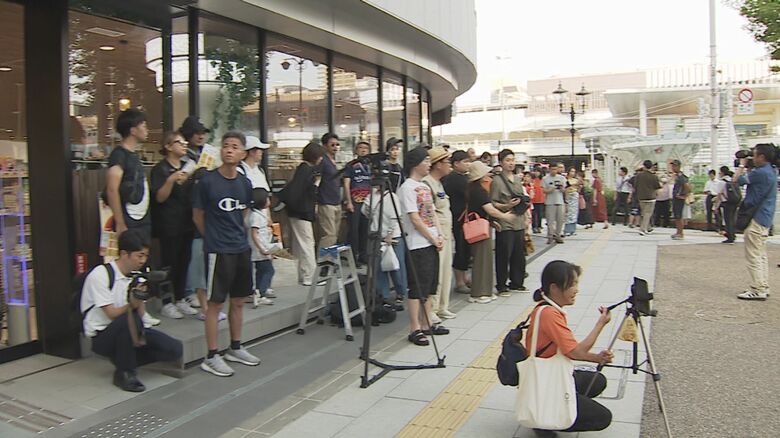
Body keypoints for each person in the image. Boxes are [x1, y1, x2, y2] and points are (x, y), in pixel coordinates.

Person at [193, 131, 261, 377]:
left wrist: (235, 235)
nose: (229, 150)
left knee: (239, 300)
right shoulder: (208, 181)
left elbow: (243, 214)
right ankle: (211, 355)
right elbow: (198, 215)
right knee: (214, 304)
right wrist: (212, 236)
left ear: (243, 153)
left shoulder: (244, 183)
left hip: (241, 248)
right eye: (226, 146)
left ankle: (235, 347)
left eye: (235, 146)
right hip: (218, 250)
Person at [81, 229, 182, 392]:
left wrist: (141, 301)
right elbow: (112, 314)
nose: (143, 260)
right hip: (102, 335)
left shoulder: (138, 276)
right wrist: (133, 302)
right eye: (139, 255)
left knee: (174, 349)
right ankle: (125, 373)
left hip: (130, 330)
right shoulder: (100, 275)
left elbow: (141, 314)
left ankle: (124, 358)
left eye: (145, 256)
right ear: (124, 254)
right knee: (129, 319)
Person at [526, 260, 613, 432]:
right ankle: (545, 420)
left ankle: (559, 406)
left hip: (549, 376)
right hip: (546, 383)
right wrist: (600, 324)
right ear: (554, 288)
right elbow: (576, 352)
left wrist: (596, 358)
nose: (576, 290)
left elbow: (570, 351)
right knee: (603, 418)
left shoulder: (546, 308)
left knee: (597, 380)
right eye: (572, 285)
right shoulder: (550, 314)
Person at [106, 108, 158, 328]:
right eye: (143, 125)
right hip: (130, 219)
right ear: (133, 128)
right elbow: (111, 188)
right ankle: (133, 311)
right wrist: (120, 221)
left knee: (141, 264)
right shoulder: (119, 155)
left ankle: (141, 310)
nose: (146, 129)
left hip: (141, 218)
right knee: (131, 264)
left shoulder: (134, 155)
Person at [397, 147, 449, 346]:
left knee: (430, 286)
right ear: (415, 163)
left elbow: (432, 213)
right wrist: (433, 238)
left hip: (432, 242)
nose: (429, 163)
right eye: (426, 160)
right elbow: (415, 219)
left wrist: (440, 234)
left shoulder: (425, 187)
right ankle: (414, 328)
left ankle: (427, 323)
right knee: (417, 287)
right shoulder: (407, 188)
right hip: (417, 244)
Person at [151, 131, 198, 320]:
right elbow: (159, 197)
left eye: (185, 142)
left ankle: (180, 298)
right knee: (169, 263)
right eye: (179, 142)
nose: (184, 145)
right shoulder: (160, 169)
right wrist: (171, 179)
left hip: (187, 222)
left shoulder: (188, 167)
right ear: (168, 147)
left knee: (184, 262)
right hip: (169, 224)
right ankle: (165, 302)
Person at [179, 116, 218, 319]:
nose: (201, 136)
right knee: (188, 256)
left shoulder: (208, 154)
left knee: (199, 256)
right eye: (197, 132)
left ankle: (198, 293)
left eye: (203, 132)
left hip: (203, 208)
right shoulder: (183, 155)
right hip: (183, 211)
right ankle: (188, 293)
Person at [466, 161, 516, 304]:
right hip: (481, 228)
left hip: (481, 225)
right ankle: (479, 292)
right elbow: (490, 209)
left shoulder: (473, 189)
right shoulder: (479, 191)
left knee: (483, 260)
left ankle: (483, 291)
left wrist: (493, 222)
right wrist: (505, 216)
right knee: (482, 261)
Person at [734, 144, 777, 300]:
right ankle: (763, 286)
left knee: (753, 256)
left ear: (762, 157)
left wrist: (742, 165)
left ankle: (757, 289)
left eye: (754, 155)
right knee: (761, 255)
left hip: (756, 219)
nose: (753, 158)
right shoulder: (771, 171)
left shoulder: (760, 173)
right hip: (765, 218)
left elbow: (737, 180)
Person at [423, 147, 457, 321]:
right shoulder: (427, 183)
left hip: (446, 230)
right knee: (437, 272)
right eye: (446, 162)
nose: (449, 165)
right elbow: (430, 213)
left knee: (446, 270)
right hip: (436, 233)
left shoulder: (439, 183)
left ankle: (443, 306)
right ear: (437, 165)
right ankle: (432, 309)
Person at [284, 142, 324, 286]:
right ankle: (310, 276)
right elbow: (306, 192)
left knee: (299, 244)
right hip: (302, 212)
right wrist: (315, 185)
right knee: (307, 243)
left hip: (295, 211)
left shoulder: (302, 169)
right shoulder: (308, 171)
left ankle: (302, 274)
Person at [362, 182, 407, 308]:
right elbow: (365, 212)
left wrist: (389, 234)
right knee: (380, 267)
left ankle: (400, 292)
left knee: (394, 265)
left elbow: (395, 217)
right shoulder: (372, 196)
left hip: (391, 236)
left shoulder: (392, 197)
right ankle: (385, 295)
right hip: (377, 235)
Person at [491, 149, 528, 296]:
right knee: (504, 253)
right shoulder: (497, 181)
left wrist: (525, 217)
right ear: (501, 163)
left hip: (518, 219)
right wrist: (506, 206)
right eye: (507, 160)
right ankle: (501, 285)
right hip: (505, 220)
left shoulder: (518, 179)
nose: (511, 163)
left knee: (519, 253)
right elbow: (492, 202)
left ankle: (517, 282)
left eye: (512, 160)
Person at [442, 150, 472, 295]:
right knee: (461, 250)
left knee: (464, 250)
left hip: (459, 218)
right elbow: (469, 195)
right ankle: (459, 282)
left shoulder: (458, 177)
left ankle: (464, 278)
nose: (468, 164)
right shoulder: (456, 179)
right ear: (456, 164)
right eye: (465, 162)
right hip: (458, 219)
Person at [343, 141, 372, 265]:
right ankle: (353, 257)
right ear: (356, 150)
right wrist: (348, 201)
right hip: (355, 200)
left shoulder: (371, 166)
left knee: (365, 230)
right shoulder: (351, 165)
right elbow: (346, 183)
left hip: (368, 201)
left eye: (366, 148)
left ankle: (363, 255)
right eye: (360, 148)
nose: (363, 150)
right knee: (354, 230)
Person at [247, 189, 276, 306]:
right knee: (269, 270)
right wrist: (261, 249)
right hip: (260, 250)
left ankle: (257, 292)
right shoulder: (255, 216)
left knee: (260, 271)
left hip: (263, 247)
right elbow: (254, 234)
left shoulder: (258, 214)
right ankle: (262, 293)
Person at [317, 133, 342, 248]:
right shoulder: (322, 161)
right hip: (325, 202)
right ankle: (323, 261)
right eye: (332, 145)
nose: (335, 147)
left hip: (337, 201)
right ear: (325, 146)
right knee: (329, 235)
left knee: (334, 235)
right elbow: (316, 181)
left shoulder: (335, 161)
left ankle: (330, 261)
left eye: (337, 144)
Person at [633, 160, 660, 236]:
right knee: (648, 213)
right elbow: (657, 186)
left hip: (641, 197)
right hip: (651, 197)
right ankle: (643, 229)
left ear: (644, 166)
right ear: (651, 166)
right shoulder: (654, 176)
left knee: (644, 213)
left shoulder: (638, 176)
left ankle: (648, 227)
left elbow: (635, 186)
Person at [542, 163, 567, 244]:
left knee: (560, 220)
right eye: (552, 169)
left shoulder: (562, 178)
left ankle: (558, 235)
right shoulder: (545, 178)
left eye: (555, 169)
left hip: (560, 201)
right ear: (549, 169)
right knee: (550, 220)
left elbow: (565, 190)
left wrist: (561, 188)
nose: (554, 171)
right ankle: (550, 236)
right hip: (550, 202)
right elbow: (544, 190)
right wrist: (550, 189)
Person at [713, 165, 737, 244]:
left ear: (722, 173)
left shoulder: (721, 182)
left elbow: (719, 195)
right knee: (732, 219)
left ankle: (730, 236)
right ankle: (733, 234)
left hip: (726, 202)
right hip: (734, 201)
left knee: (727, 219)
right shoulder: (732, 180)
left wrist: (716, 206)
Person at [669, 159, 690, 240]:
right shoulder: (677, 176)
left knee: (678, 216)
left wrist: (684, 195)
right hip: (676, 198)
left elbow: (687, 186)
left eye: (674, 166)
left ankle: (680, 233)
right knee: (677, 216)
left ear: (678, 166)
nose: (672, 167)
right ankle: (678, 232)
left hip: (679, 199)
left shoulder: (681, 177)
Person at [563, 168, 580, 236]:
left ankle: (573, 229)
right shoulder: (566, 180)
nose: (573, 173)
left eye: (574, 171)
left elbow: (578, 188)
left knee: (574, 213)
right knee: (568, 214)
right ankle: (567, 229)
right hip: (569, 196)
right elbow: (566, 188)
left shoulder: (576, 180)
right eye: (571, 171)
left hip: (575, 196)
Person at [530, 168, 545, 234]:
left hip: (541, 200)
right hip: (533, 200)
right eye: (535, 171)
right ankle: (534, 227)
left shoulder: (543, 180)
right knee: (534, 214)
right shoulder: (532, 180)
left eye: (538, 171)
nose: (536, 173)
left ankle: (539, 226)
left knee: (539, 214)